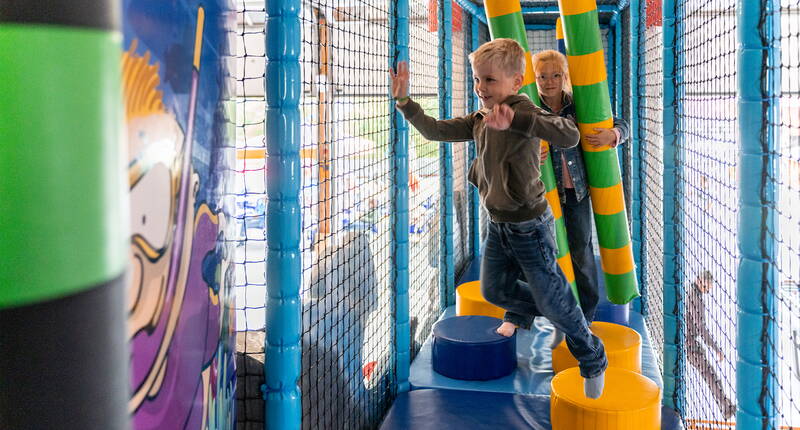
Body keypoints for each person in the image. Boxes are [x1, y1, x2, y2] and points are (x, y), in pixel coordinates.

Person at [389, 38, 607, 398]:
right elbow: (436, 131)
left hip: (529, 226)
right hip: (498, 224)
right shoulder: (479, 119)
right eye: (477, 80)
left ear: (516, 82)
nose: (481, 88)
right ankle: (555, 310)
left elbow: (569, 135)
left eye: (489, 80)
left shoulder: (525, 112)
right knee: (495, 291)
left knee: (552, 299)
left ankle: (591, 354)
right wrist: (404, 102)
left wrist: (520, 120)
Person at [533, 50, 630, 331]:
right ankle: (553, 310)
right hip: (543, 194)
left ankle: (585, 315)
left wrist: (613, 135)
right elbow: (509, 135)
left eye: (555, 75)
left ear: (564, 77)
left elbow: (622, 123)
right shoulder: (531, 108)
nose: (549, 82)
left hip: (575, 192)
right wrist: (527, 151)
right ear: (534, 79)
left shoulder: (580, 105)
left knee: (580, 250)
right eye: (542, 76)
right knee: (546, 251)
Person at [686, 270, 735, 419]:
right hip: (689, 343)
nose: (708, 290)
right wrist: (716, 349)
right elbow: (701, 328)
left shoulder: (691, 292)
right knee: (710, 374)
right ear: (700, 281)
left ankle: (726, 406)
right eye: (707, 287)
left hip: (688, 341)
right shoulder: (695, 298)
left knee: (710, 374)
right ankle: (726, 408)